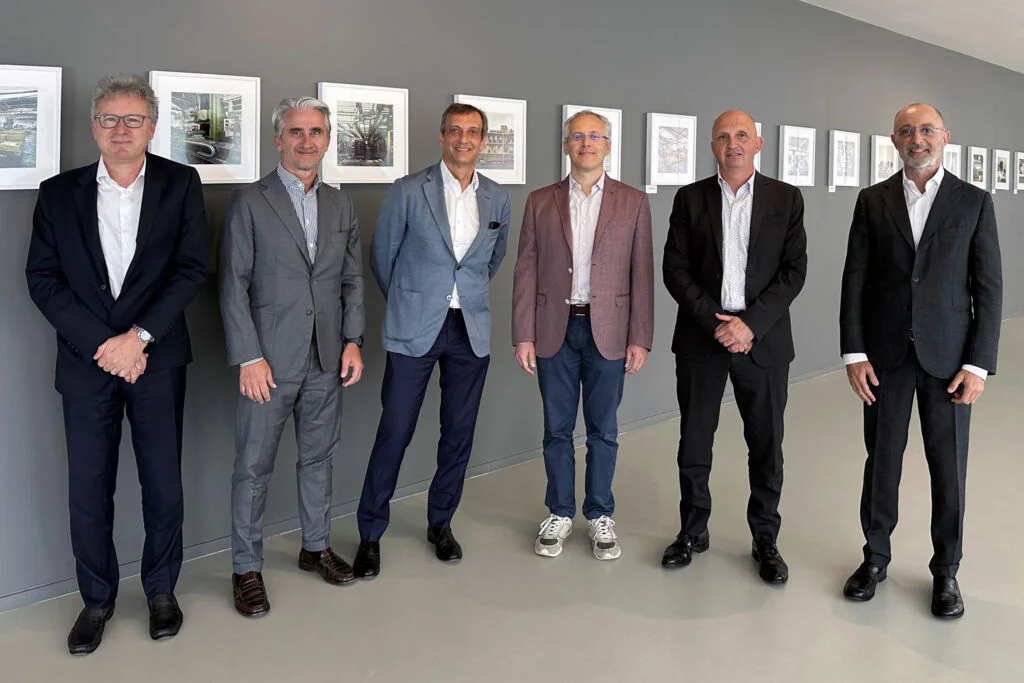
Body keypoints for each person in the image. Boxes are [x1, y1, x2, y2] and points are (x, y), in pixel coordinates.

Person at [25, 74, 208, 653]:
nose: (121, 130)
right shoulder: (59, 193)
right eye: (109, 119)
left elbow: (191, 268)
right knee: (88, 488)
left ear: (152, 128)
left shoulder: (181, 183)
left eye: (133, 120)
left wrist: (139, 337)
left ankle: (161, 591)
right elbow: (43, 279)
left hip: (158, 359)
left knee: (163, 484)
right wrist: (106, 345)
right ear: (93, 126)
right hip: (87, 364)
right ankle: (96, 600)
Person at [839, 103, 1002, 618]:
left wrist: (978, 364)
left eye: (927, 129)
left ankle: (946, 571)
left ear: (945, 137)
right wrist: (854, 352)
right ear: (894, 140)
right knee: (881, 463)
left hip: (950, 360)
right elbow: (854, 280)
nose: (917, 138)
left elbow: (988, 288)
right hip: (885, 358)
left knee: (948, 470)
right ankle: (875, 558)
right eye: (907, 130)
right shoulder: (872, 201)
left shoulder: (973, 201)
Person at [220, 97, 365, 617]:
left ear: (327, 140)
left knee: (319, 458)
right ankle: (245, 568)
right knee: (253, 468)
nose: (307, 141)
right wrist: (248, 356)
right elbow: (232, 284)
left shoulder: (341, 205)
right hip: (268, 362)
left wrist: (353, 340)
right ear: (278, 139)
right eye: (296, 132)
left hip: (327, 356)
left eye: (316, 132)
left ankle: (315, 546)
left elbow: (351, 278)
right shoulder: (250, 202)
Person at [353, 103, 510, 577]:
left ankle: (441, 523)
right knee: (395, 431)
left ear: (483, 141)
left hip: (470, 329)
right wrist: (413, 301)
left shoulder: (498, 197)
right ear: (441, 136)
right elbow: (383, 257)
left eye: (473, 132)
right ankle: (370, 534)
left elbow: (491, 260)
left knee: (458, 434)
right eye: (455, 130)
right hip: (415, 326)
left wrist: (460, 296)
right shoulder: (408, 190)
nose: (464, 139)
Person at [660, 109, 807, 584]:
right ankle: (692, 531)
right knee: (694, 442)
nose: (733, 143)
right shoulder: (689, 198)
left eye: (742, 135)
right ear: (713, 147)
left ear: (758, 144)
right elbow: (675, 268)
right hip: (702, 338)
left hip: (763, 341)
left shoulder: (786, 198)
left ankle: (765, 538)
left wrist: (749, 325)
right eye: (723, 136)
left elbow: (794, 272)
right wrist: (715, 323)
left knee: (766, 445)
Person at [511, 110, 654, 560]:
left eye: (595, 136)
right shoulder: (540, 201)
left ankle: (599, 514)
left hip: (609, 331)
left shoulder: (633, 201)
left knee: (603, 430)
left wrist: (640, 336)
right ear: (565, 146)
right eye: (577, 136)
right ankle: (559, 511)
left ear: (608, 146)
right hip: (553, 329)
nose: (586, 143)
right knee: (556, 429)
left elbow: (642, 273)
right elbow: (526, 270)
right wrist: (523, 334)